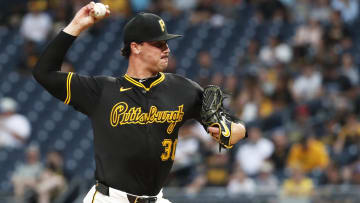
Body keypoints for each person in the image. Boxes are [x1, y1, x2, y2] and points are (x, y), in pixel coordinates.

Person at [32, 2, 246, 203]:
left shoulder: (184, 89)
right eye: (158, 43)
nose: (166, 49)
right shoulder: (101, 91)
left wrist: (234, 131)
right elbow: (44, 73)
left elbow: (233, 129)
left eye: (167, 43)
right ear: (136, 47)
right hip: (110, 199)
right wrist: (76, 26)